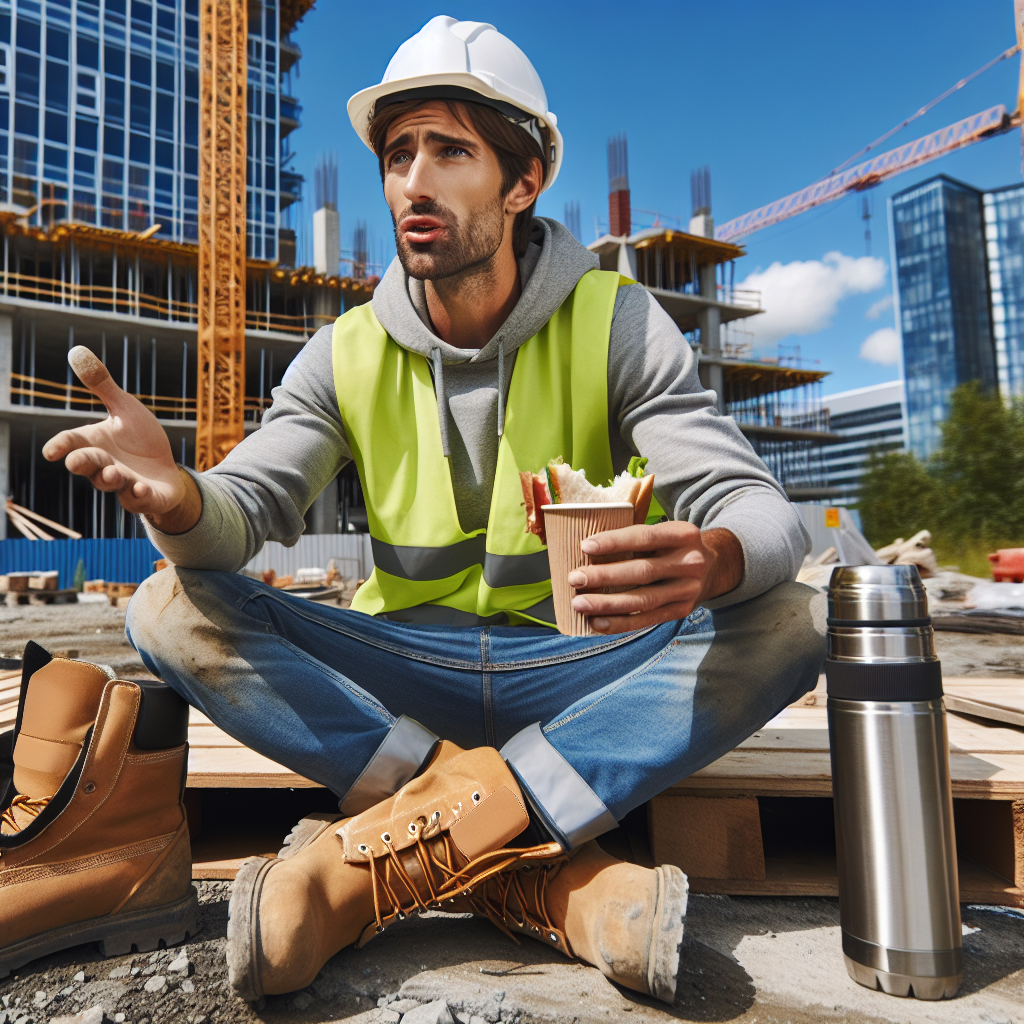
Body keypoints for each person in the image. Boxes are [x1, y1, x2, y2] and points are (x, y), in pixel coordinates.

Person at [43, 16, 825, 1007]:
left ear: (522, 179)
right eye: (397, 153)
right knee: (165, 604)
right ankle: (542, 868)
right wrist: (182, 496)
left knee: (796, 615)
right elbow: (244, 508)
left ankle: (393, 851)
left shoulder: (617, 321)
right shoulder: (346, 349)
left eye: (450, 150)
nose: (413, 179)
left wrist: (715, 557)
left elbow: (759, 511)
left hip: (576, 667)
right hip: (404, 671)